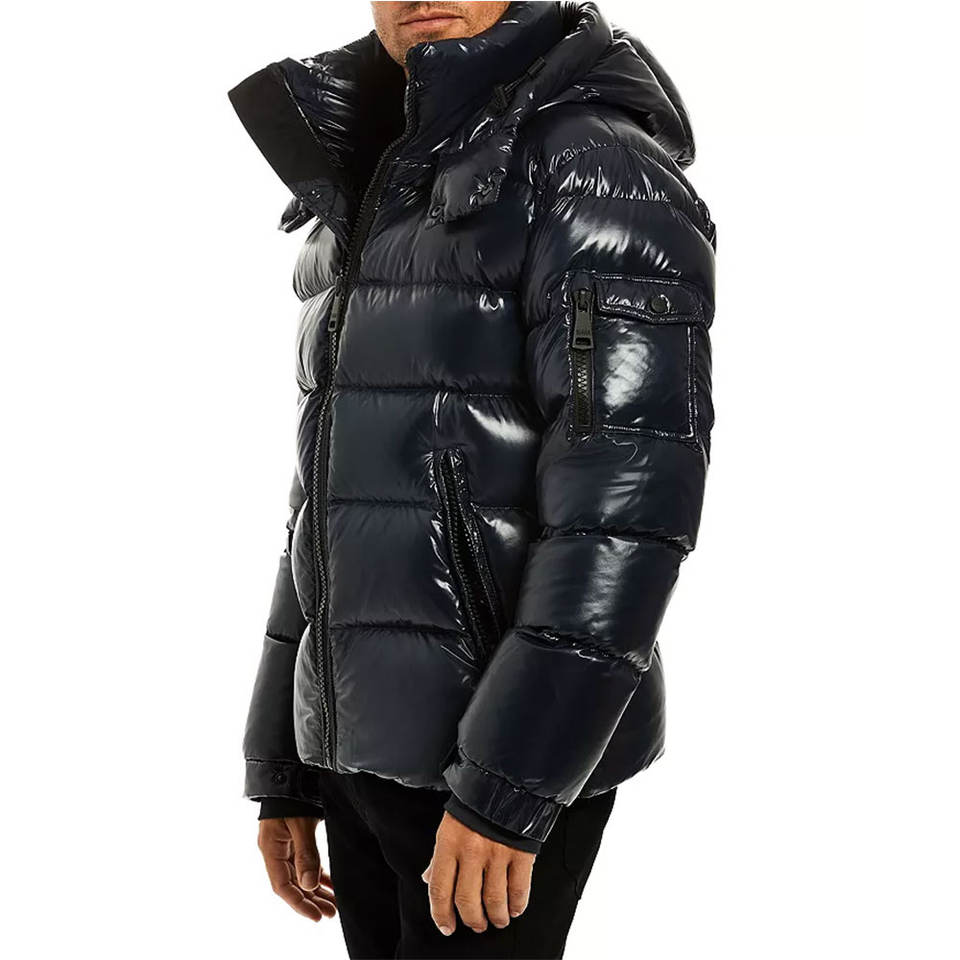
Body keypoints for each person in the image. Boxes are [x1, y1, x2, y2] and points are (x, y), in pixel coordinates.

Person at [228, 2, 716, 956]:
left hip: (493, 761)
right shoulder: (369, 169)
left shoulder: (592, 169)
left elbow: (624, 514)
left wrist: (508, 786)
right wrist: (285, 756)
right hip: (358, 750)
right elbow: (326, 496)